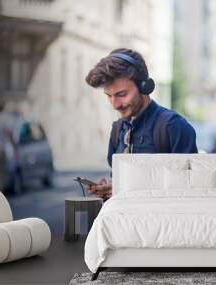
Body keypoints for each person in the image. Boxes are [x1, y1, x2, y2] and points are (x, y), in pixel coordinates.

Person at [84, 48, 198, 199]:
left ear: (145, 86)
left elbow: (189, 187)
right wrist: (110, 189)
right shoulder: (117, 130)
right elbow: (119, 181)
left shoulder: (173, 126)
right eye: (109, 96)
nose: (115, 104)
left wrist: (127, 189)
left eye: (122, 94)